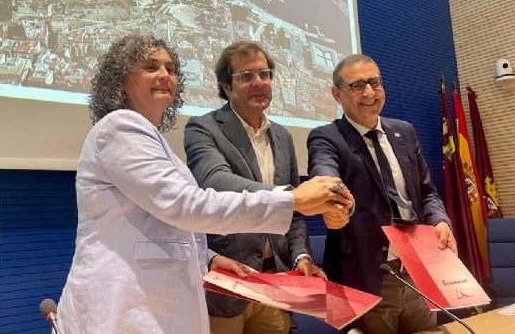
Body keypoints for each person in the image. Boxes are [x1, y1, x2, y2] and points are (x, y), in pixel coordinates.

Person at [56, 34, 353, 334]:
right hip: (121, 306)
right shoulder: (120, 127)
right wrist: (291, 199)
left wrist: (208, 258)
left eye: (171, 69)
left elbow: (165, 223)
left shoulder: (153, 140)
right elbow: (187, 205)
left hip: (167, 301)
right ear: (120, 80)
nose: (164, 74)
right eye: (150, 67)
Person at [184, 41, 346, 334]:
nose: (258, 82)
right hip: (227, 280)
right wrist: (289, 197)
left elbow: (295, 214)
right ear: (226, 86)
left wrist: (301, 256)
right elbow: (215, 181)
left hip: (275, 280)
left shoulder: (283, 136)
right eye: (246, 76)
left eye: (265, 74)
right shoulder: (203, 128)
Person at [307, 53, 457, 334]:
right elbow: (324, 173)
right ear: (337, 94)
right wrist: (331, 196)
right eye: (357, 85)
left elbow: (426, 192)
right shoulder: (326, 136)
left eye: (375, 83)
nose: (369, 92)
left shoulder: (404, 132)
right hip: (366, 276)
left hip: (415, 270)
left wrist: (440, 221)